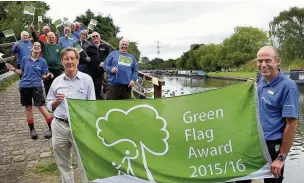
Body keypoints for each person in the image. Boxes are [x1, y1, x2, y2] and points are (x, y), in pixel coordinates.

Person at [235, 46, 299, 183]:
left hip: (273, 147)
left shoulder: (288, 86)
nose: (263, 65)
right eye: (260, 61)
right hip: (253, 143)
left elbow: (292, 124)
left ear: (277, 61)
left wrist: (281, 157)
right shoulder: (260, 81)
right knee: (240, 179)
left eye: (268, 61)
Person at [46, 47, 95, 183]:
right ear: (62, 62)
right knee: (63, 163)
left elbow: (92, 106)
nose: (69, 61)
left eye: (72, 58)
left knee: (85, 161)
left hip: (80, 126)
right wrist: (56, 101)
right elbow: (49, 105)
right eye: (66, 59)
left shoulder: (87, 80)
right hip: (60, 125)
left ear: (77, 61)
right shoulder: (56, 81)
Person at [6, 42, 54, 139]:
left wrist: (48, 75)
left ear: (40, 50)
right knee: (28, 108)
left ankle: (52, 128)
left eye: (38, 46)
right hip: (24, 86)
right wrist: (14, 69)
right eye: (35, 45)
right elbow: (22, 72)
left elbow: (43, 76)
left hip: (36, 86)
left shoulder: (43, 61)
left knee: (41, 106)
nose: (36, 46)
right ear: (32, 48)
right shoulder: (24, 59)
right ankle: (32, 130)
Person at [30, 24, 63, 95]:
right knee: (48, 87)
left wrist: (63, 68)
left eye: (53, 37)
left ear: (55, 38)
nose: (51, 38)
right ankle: (49, 101)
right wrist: (33, 31)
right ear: (47, 38)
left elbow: (63, 57)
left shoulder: (59, 47)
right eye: (50, 37)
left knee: (58, 87)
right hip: (47, 70)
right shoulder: (44, 45)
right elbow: (36, 40)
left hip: (58, 70)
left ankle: (58, 101)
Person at [86, 32, 112, 100]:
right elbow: (84, 58)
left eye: (96, 36)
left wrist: (104, 62)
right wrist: (86, 59)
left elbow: (110, 57)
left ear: (100, 37)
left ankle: (98, 101)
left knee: (99, 89)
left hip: (101, 72)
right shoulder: (89, 48)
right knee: (90, 89)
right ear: (91, 39)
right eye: (93, 36)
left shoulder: (105, 47)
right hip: (91, 72)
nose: (95, 37)